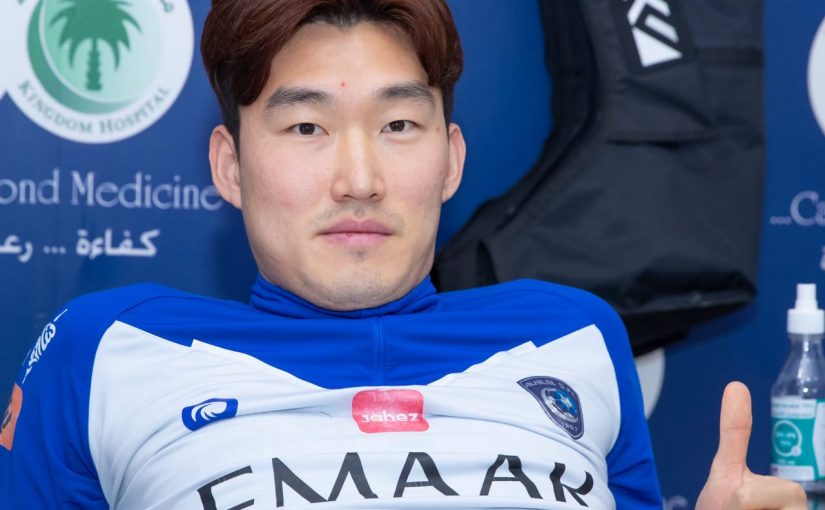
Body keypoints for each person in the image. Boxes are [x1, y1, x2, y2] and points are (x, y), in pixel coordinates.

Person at [0, 0, 807, 508]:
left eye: (397, 126)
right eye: (306, 127)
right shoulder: (107, 351)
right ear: (230, 167)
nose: (359, 179)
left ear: (450, 160)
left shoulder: (574, 336)